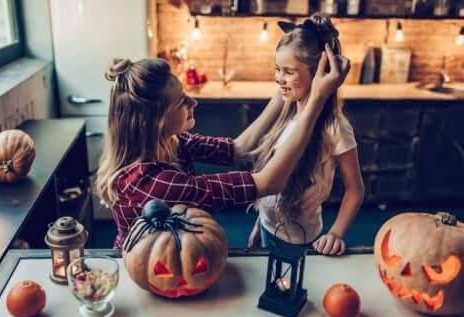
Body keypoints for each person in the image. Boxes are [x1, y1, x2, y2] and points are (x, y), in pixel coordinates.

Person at [96, 43, 350, 249]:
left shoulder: (171, 142)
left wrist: (285, 86)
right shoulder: (154, 182)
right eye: (181, 102)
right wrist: (317, 98)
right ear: (154, 121)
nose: (193, 103)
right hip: (148, 265)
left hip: (176, 247)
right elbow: (269, 182)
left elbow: (240, 148)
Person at [244, 14, 364, 256]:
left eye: (288, 71)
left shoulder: (335, 128)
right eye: (278, 69)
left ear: (321, 73)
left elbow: (355, 189)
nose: (279, 78)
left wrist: (336, 233)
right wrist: (260, 224)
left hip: (298, 241)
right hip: (267, 228)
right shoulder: (286, 108)